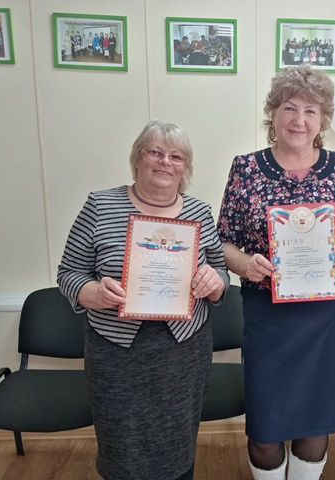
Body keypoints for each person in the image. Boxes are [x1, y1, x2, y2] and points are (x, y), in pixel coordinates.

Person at [218, 63, 335, 480]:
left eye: (310, 110)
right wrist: (245, 264)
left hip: (327, 316)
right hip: (269, 317)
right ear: (273, 112)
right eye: (289, 107)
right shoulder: (246, 168)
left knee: (316, 422)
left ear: (323, 119)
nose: (299, 120)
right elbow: (222, 241)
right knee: (266, 430)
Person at [57, 120, 229, 480]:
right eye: (155, 152)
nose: (165, 162)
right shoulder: (100, 205)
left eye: (176, 157)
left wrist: (215, 283)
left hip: (184, 351)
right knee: (122, 444)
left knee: (178, 440)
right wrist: (93, 293)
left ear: (185, 167)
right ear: (137, 158)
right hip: (116, 352)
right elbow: (68, 272)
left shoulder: (199, 212)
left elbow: (219, 271)